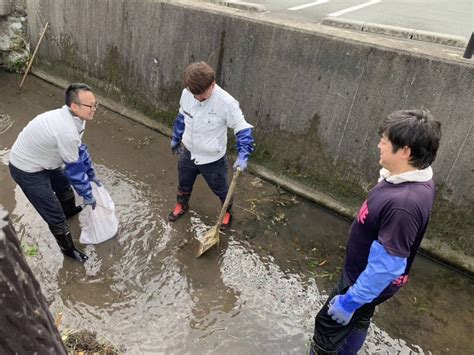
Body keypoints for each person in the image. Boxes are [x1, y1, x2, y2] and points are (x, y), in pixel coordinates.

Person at [310, 109, 442, 354]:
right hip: (366, 277)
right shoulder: (411, 177)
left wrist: (350, 301)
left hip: (363, 280)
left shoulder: (404, 205)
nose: (379, 145)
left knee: (327, 329)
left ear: (405, 151)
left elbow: (386, 267)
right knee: (360, 318)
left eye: (385, 141)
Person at [9, 83, 103, 262]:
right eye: (90, 106)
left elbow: (79, 149)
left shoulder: (77, 118)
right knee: (54, 215)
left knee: (65, 188)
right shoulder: (66, 129)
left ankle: (69, 212)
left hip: (44, 160)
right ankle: (68, 250)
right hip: (26, 169)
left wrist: (91, 175)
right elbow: (74, 168)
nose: (94, 109)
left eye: (95, 104)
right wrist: (86, 192)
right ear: (74, 106)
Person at [168, 61, 255, 227]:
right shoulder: (187, 93)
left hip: (212, 158)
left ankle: (226, 212)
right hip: (189, 152)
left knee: (221, 188)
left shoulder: (226, 103)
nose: (198, 98)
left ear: (212, 84)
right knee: (184, 181)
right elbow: (182, 116)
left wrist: (243, 154)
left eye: (202, 95)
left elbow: (242, 128)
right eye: (195, 95)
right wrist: (176, 137)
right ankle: (181, 204)